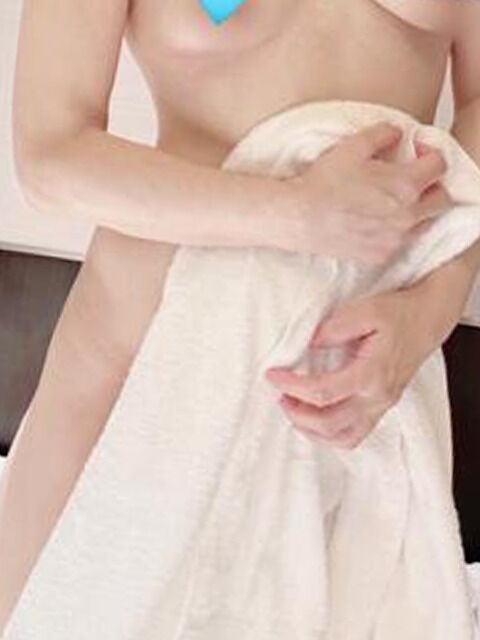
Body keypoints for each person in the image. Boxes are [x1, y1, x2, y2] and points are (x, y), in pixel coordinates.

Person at [1, 0, 479, 632]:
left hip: (358, 382)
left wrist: (428, 312)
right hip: (139, 365)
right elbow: (50, 157)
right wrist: (296, 213)